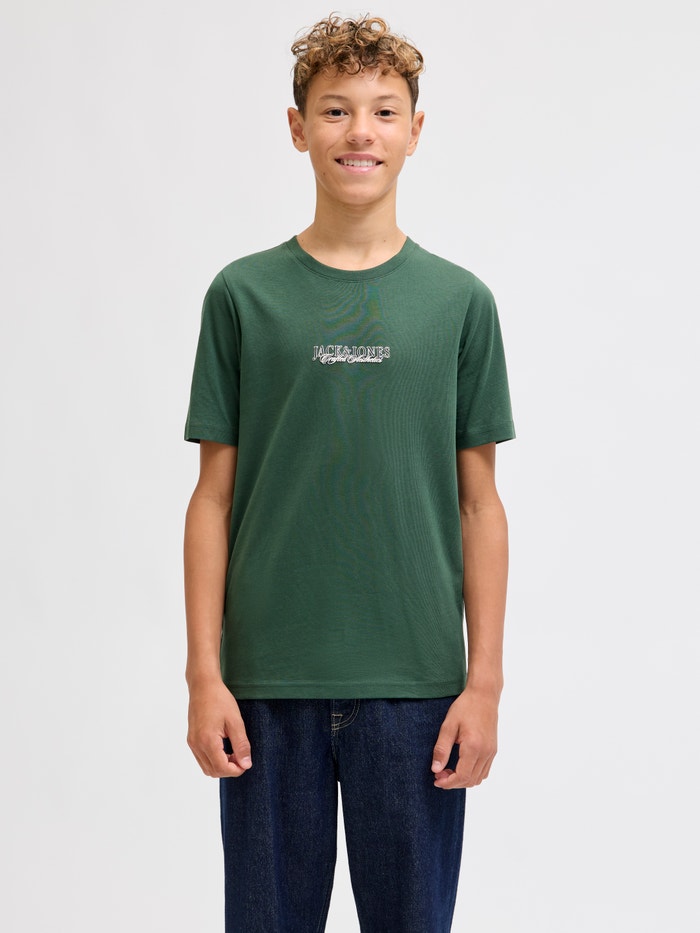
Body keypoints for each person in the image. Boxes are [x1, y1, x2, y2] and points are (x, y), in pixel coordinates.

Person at [184, 13, 515, 932]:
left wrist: (483, 684)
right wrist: (204, 674)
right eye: (335, 110)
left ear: (415, 130)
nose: (359, 131)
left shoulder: (460, 303)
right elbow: (212, 498)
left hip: (417, 689)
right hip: (266, 684)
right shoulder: (242, 295)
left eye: (383, 110)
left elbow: (479, 505)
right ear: (298, 128)